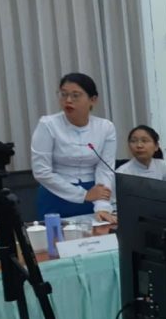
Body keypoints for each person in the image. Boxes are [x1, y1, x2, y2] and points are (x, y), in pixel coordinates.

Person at [30, 73, 117, 222]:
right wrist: (83, 195)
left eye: (75, 95)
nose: (68, 100)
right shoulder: (48, 125)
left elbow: (105, 169)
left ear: (93, 100)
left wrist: (102, 206)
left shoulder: (105, 127)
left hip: (94, 193)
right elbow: (41, 172)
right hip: (55, 194)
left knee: (97, 234)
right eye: (64, 94)